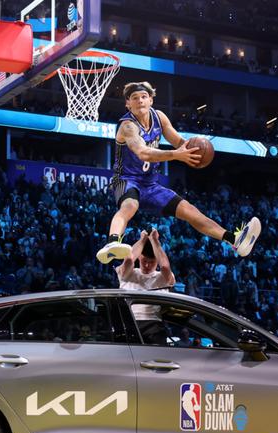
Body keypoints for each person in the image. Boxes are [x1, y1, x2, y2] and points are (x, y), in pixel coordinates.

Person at [96, 81, 261, 264]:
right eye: (135, 98)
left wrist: (193, 150)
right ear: (128, 104)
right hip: (126, 180)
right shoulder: (128, 126)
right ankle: (112, 243)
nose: (140, 101)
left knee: (189, 210)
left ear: (151, 100)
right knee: (130, 206)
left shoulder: (159, 117)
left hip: (150, 185)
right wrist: (176, 155)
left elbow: (179, 142)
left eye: (144, 97)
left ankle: (234, 239)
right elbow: (143, 153)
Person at [118, 229, 174, 345]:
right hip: (128, 323)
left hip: (154, 326)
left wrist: (154, 240)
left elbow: (164, 267)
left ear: (156, 261)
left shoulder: (162, 277)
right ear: (139, 257)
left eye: (152, 262)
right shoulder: (128, 273)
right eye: (144, 261)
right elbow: (128, 260)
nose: (147, 265)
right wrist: (142, 239)